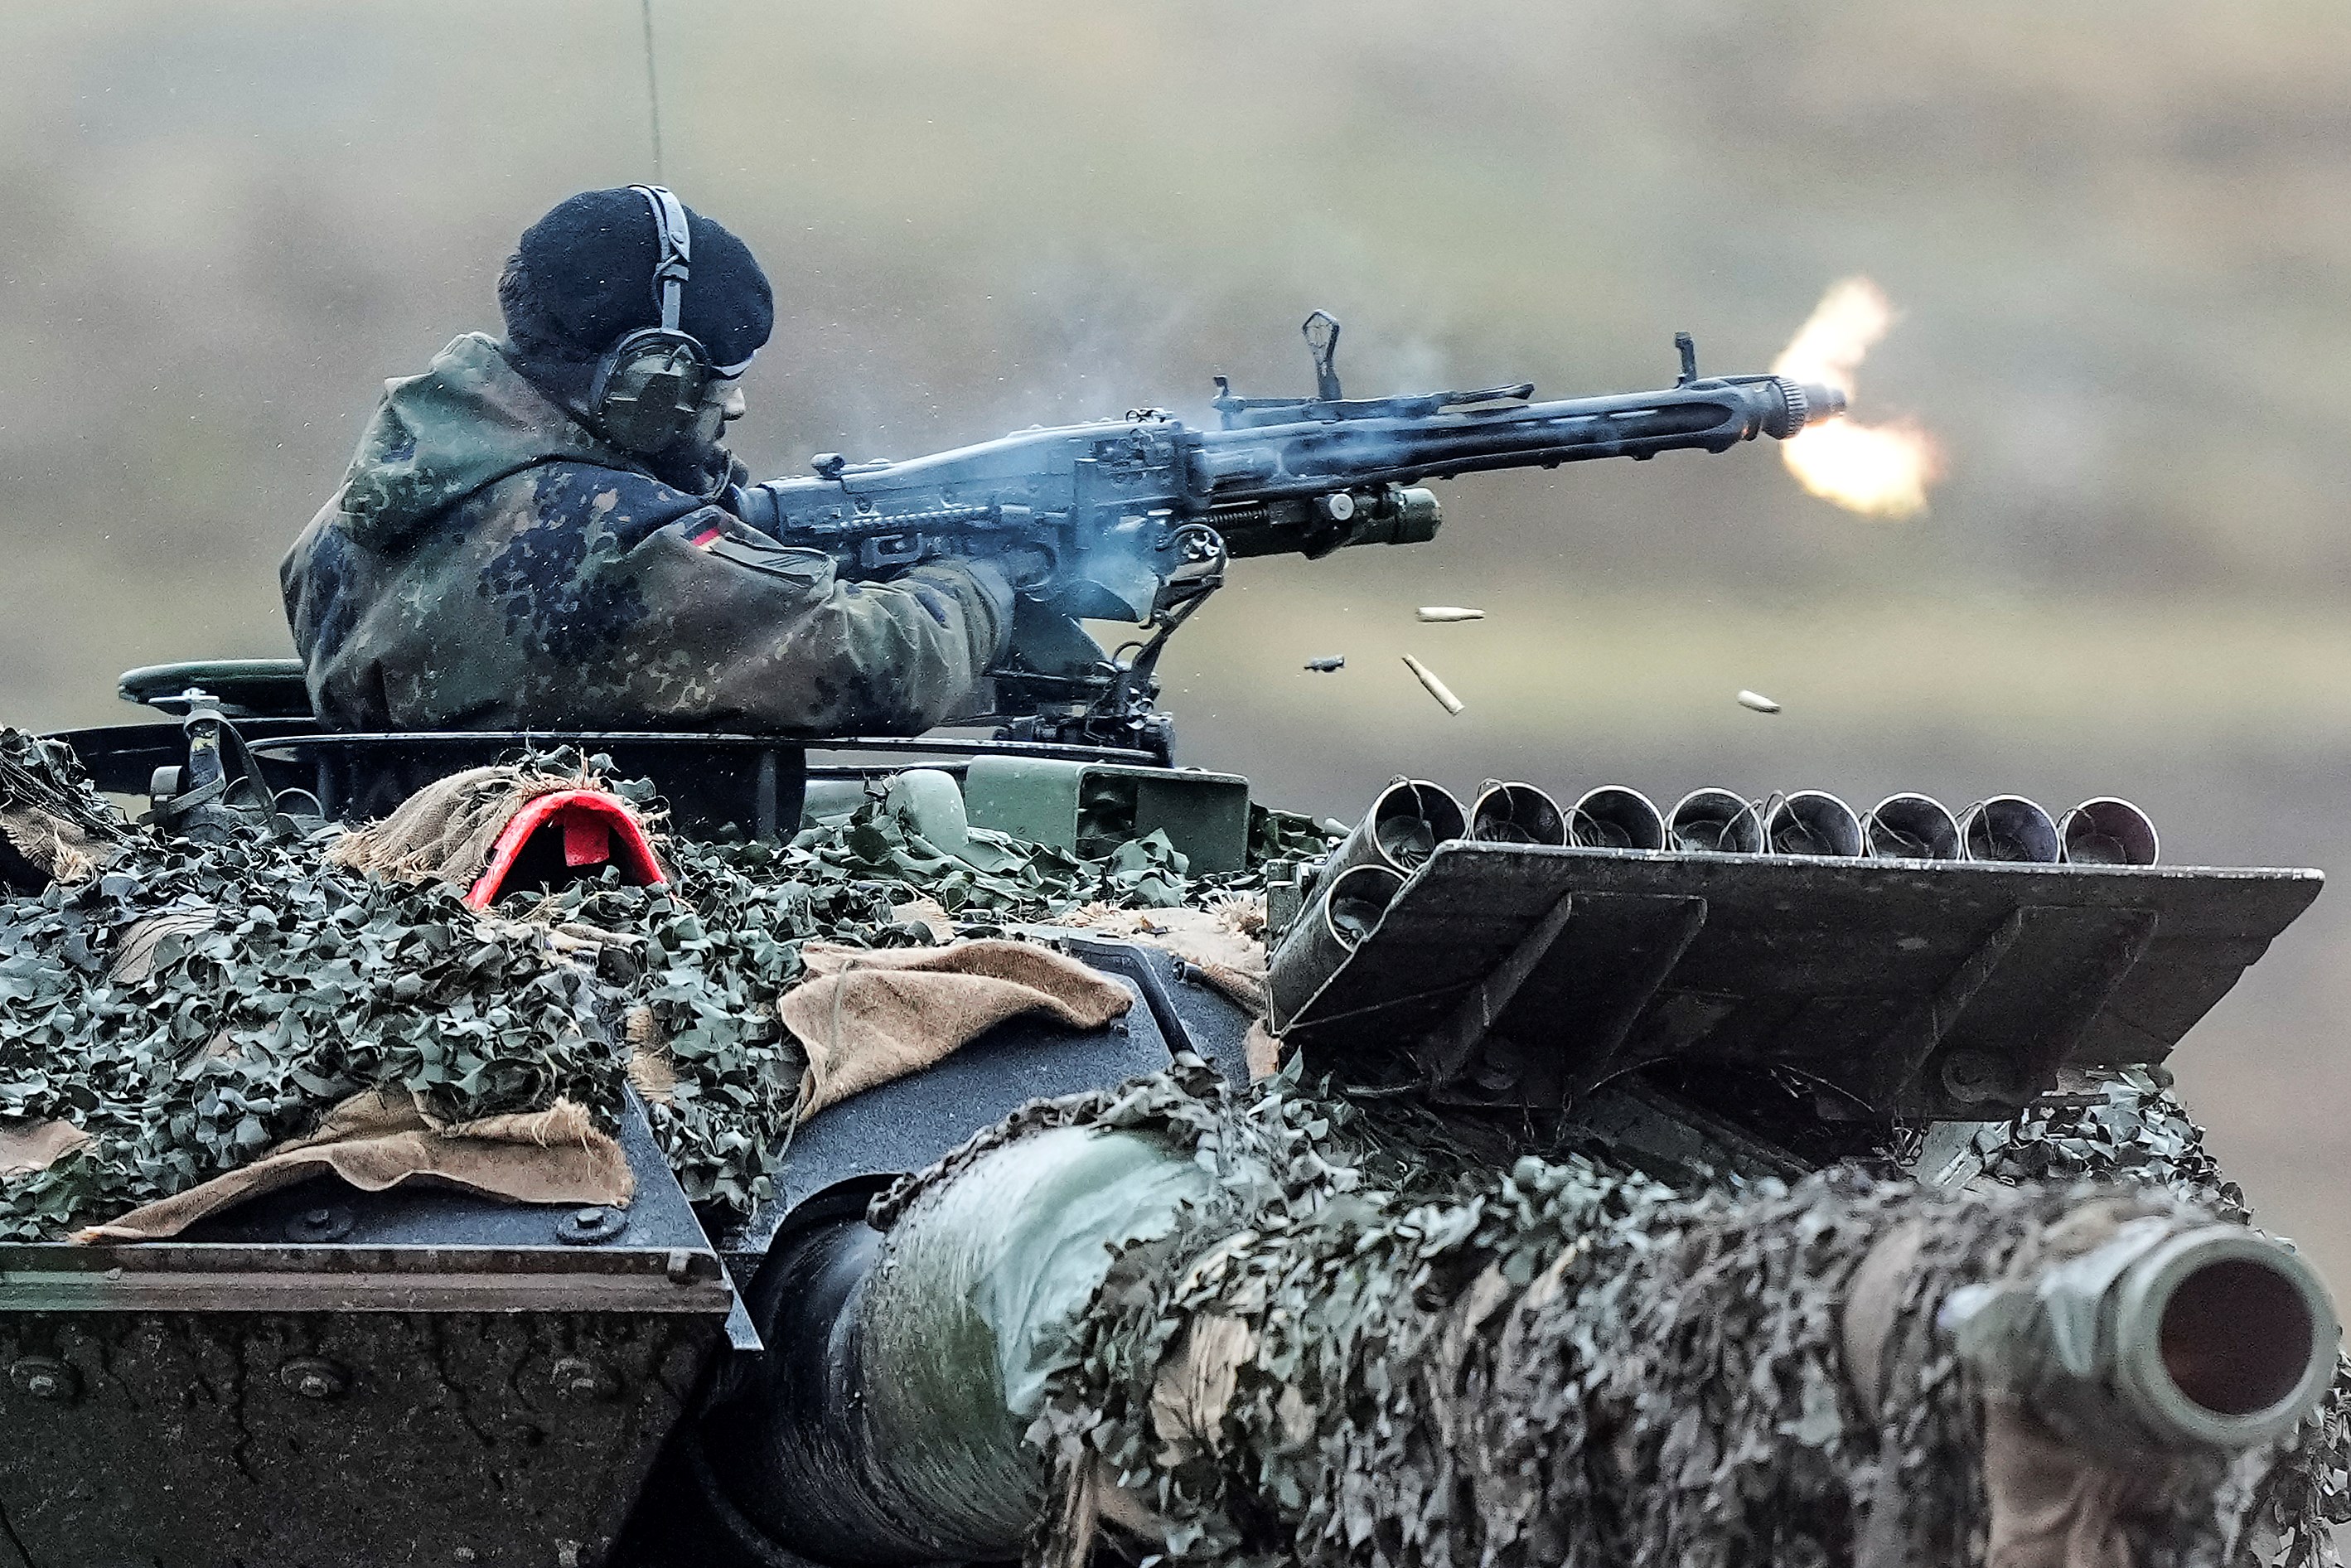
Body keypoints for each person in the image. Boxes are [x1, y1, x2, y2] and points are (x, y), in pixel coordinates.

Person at [281, 186, 1014, 734]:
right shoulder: (613, 540)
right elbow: (882, 663)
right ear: (647, 380)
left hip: (408, 886)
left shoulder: (343, 525)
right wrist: (980, 581)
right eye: (712, 382)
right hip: (611, 911)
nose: (734, 410)